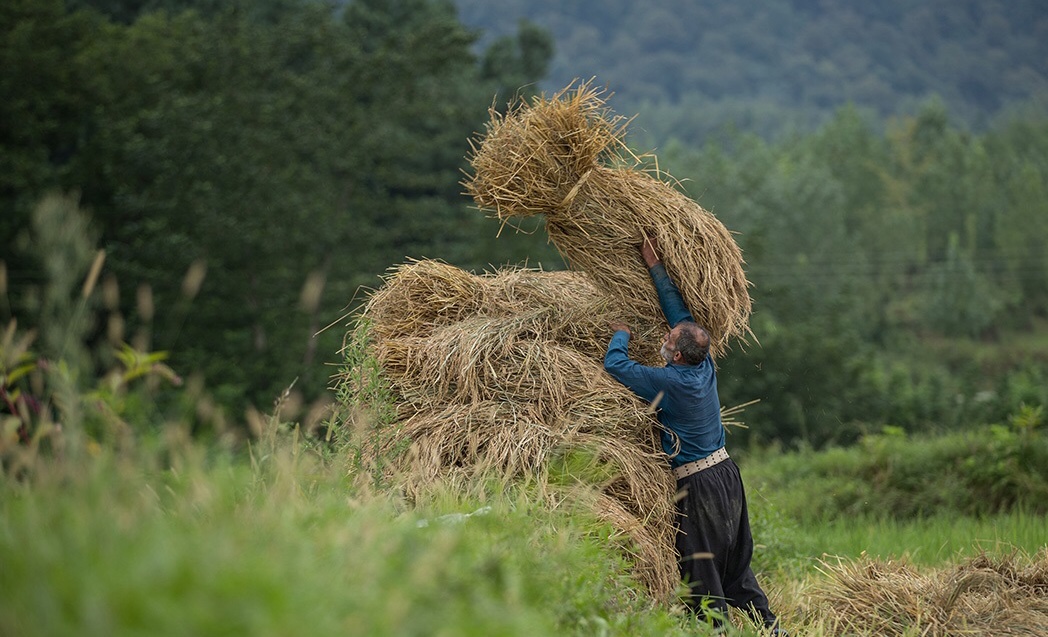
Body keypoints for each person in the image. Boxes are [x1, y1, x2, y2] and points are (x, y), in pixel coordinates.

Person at [603, 236, 783, 634]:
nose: (665, 341)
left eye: (668, 342)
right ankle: (771, 629)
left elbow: (615, 365)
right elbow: (678, 314)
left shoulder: (668, 382)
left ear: (679, 355)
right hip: (727, 474)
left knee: (700, 565)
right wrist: (654, 266)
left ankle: (714, 631)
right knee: (734, 562)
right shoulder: (704, 365)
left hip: (699, 483)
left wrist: (622, 333)